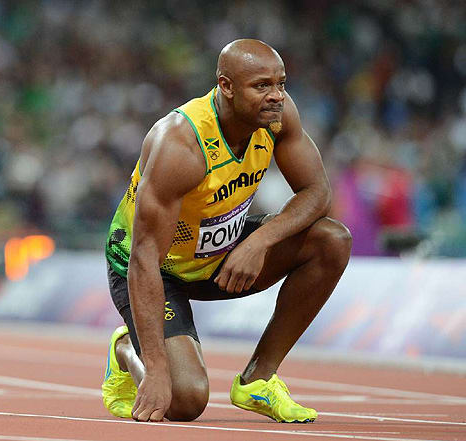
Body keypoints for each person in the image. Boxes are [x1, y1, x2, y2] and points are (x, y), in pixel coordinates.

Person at [102, 39, 351, 423]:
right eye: (262, 86)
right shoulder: (180, 144)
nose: (276, 96)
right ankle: (127, 351)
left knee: (331, 240)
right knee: (185, 400)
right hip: (155, 268)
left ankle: (258, 380)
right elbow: (144, 257)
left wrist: (258, 242)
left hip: (219, 253)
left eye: (281, 83)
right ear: (226, 86)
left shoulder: (278, 117)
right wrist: (155, 367)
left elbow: (317, 193)